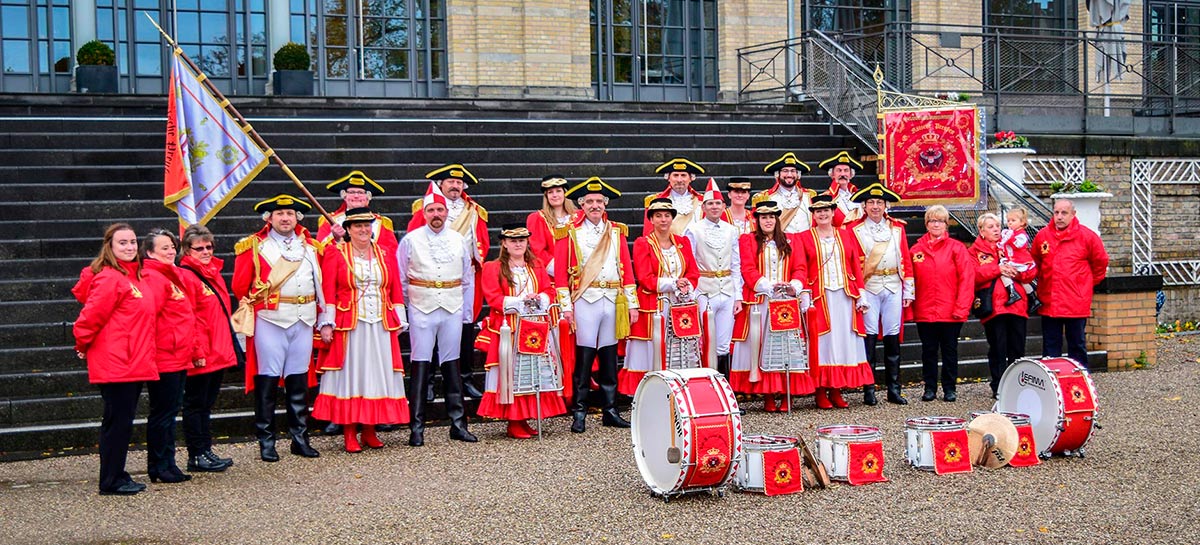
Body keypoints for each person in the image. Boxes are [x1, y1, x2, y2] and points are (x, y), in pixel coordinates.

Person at [232, 195, 329, 461]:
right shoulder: (253, 247)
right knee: (268, 380)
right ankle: (266, 440)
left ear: (298, 217)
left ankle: (300, 437)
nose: (285, 218)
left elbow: (322, 282)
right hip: (270, 319)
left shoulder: (312, 247)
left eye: (290, 213)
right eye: (280, 214)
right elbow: (240, 286)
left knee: (298, 380)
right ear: (269, 218)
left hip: (304, 318)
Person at [314, 208, 411, 452]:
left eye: (367, 225)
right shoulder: (336, 253)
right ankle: (349, 432)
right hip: (350, 324)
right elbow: (328, 289)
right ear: (347, 229)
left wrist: (399, 317)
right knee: (352, 376)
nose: (363, 230)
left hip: (379, 322)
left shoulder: (385, 253)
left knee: (376, 377)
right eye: (357, 226)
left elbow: (394, 288)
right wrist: (327, 322)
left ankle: (369, 430)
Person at [72, 223, 158, 495]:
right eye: (123, 243)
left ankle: (117, 473)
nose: (130, 247)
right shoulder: (111, 278)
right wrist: (82, 343)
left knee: (122, 422)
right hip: (117, 362)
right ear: (109, 246)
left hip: (131, 361)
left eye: (133, 242)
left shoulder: (133, 277)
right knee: (117, 423)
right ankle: (111, 480)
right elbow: (89, 317)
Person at [555, 177, 638, 433]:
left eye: (599, 201)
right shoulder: (569, 232)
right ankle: (579, 412)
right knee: (585, 356)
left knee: (610, 356)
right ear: (581, 204)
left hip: (613, 299)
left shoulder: (616, 231)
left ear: (605, 204)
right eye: (589, 201)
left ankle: (610, 410)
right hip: (586, 299)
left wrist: (632, 303)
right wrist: (566, 306)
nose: (595, 205)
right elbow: (560, 273)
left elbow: (626, 267)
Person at [398, 183, 479, 446]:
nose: (436, 214)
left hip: (452, 306)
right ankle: (417, 427)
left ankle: (458, 423)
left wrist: (464, 309)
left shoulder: (458, 239)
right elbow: (401, 278)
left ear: (446, 213)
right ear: (424, 213)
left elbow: (467, 276)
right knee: (421, 363)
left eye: (440, 209)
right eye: (432, 209)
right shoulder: (411, 240)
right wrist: (407, 308)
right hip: (422, 306)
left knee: (451, 362)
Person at [475, 224, 565, 439]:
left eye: (522, 240)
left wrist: (540, 299)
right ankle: (514, 421)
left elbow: (549, 289)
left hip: (534, 327)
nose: (518, 244)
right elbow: (493, 297)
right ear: (504, 243)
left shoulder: (536, 265)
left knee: (531, 372)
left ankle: (526, 418)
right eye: (513, 240)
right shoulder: (493, 267)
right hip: (510, 329)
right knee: (512, 374)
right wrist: (519, 302)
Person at [408, 163, 488, 401]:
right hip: (433, 278)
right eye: (450, 182)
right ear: (440, 185)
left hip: (465, 277)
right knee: (431, 329)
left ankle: (464, 378)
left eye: (459, 182)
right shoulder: (426, 208)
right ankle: (429, 381)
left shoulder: (474, 210)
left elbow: (480, 241)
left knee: (463, 329)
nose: (455, 186)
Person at [730, 201, 816, 411]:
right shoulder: (747, 240)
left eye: (771, 217)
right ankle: (768, 395)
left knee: (789, 347)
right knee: (763, 347)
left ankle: (788, 394)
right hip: (761, 300)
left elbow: (800, 269)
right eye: (763, 217)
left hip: (786, 302)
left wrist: (792, 286)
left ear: (777, 219)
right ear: (757, 220)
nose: (767, 221)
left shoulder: (790, 240)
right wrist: (767, 286)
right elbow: (747, 268)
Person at [798, 195, 873, 409]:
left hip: (844, 294)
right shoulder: (805, 237)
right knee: (823, 342)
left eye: (826, 210)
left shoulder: (845, 234)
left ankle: (837, 389)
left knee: (843, 342)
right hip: (819, 296)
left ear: (833, 213)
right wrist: (804, 295)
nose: (823, 214)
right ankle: (820, 391)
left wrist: (861, 293)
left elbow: (855, 266)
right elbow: (801, 266)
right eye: (818, 211)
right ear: (813, 215)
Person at [140, 228, 202, 483]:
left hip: (178, 353)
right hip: (165, 355)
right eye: (164, 247)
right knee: (163, 413)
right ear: (150, 252)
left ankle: (166, 463)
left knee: (168, 411)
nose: (170, 251)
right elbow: (149, 317)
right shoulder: (155, 277)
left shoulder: (171, 275)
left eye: (172, 247)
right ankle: (160, 465)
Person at [844, 183, 914, 405]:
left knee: (893, 337)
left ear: (886, 205)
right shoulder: (853, 229)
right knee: (870, 337)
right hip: (870, 286)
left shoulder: (897, 228)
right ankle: (869, 390)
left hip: (893, 284)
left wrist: (908, 290)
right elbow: (852, 262)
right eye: (871, 202)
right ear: (864, 205)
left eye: (880, 203)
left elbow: (905, 258)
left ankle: (894, 389)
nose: (875, 206)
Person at [622, 198, 701, 394]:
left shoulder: (682, 242)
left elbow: (693, 272)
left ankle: (678, 389)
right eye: (658, 216)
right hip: (653, 305)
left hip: (679, 304)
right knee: (650, 348)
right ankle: (647, 392)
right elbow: (644, 277)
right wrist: (673, 283)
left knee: (678, 346)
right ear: (651, 219)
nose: (663, 220)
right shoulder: (643, 243)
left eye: (667, 215)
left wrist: (686, 286)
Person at [177, 224, 237, 473]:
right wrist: (197, 351)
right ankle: (196, 453)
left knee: (206, 404)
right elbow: (189, 318)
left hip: (217, 348)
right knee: (195, 404)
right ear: (186, 251)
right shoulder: (187, 275)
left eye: (208, 247)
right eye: (199, 248)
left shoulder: (211, 271)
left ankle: (205, 449)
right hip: (202, 351)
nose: (205, 251)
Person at [1032, 198, 1109, 369]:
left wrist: (1085, 285)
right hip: (1050, 302)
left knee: (1077, 345)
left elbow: (1100, 263)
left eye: (1064, 213)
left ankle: (1080, 382)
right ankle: (1053, 383)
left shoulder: (1087, 236)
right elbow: (1035, 262)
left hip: (1075, 302)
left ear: (1073, 214)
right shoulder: (1042, 236)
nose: (1059, 217)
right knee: (1050, 347)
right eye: (1056, 212)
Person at [908, 205, 975, 402]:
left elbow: (967, 279)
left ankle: (949, 388)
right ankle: (929, 388)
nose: (936, 224)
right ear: (926, 224)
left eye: (940, 221)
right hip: (925, 309)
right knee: (928, 351)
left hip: (950, 310)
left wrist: (961, 307)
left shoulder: (957, 248)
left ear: (946, 224)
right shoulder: (916, 250)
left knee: (949, 351)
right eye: (932, 221)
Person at [969, 213, 1037, 398]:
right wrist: (997, 269)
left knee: (1017, 348)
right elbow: (974, 275)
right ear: (981, 231)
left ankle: (1018, 385)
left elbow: (1030, 271)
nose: (996, 229)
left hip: (1017, 305)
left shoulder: (1011, 245)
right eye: (990, 226)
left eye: (998, 225)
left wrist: (1017, 272)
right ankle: (998, 386)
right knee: (998, 347)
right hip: (994, 307)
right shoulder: (975, 251)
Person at [684, 179, 743, 376]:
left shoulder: (732, 230)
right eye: (710, 203)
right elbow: (689, 263)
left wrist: (738, 295)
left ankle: (725, 389)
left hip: (726, 289)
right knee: (703, 340)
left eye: (718, 203)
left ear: (724, 206)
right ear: (703, 206)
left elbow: (736, 264)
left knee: (724, 343)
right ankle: (704, 386)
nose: (714, 207)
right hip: (704, 289)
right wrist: (692, 292)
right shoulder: (693, 229)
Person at [316, 170, 397, 251]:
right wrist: (336, 239)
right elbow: (320, 252)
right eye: (351, 192)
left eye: (360, 192)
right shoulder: (329, 220)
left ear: (368, 196)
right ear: (344, 195)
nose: (356, 196)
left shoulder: (383, 223)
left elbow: (392, 253)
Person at [526, 174, 577, 277]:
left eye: (558, 191)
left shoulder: (579, 216)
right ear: (546, 196)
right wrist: (561, 271)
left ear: (565, 193)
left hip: (582, 276)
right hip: (554, 279)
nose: (555, 195)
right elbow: (538, 251)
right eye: (550, 192)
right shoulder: (537, 218)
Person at [751, 152, 815, 234]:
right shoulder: (764, 197)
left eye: (793, 171)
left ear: (798, 174)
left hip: (805, 244)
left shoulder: (810, 195)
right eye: (785, 171)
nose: (789, 174)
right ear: (778, 174)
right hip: (780, 244)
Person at [642, 157, 706, 236]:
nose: (679, 180)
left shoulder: (703, 201)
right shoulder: (655, 201)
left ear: (691, 178)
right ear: (668, 178)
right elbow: (648, 234)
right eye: (675, 175)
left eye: (683, 175)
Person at [1000, 207, 1037, 308]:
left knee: (1004, 274)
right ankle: (1033, 298)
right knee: (1021, 280)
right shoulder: (1010, 233)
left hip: (1020, 262)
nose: (1010, 223)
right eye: (1008, 220)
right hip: (1012, 259)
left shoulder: (1021, 234)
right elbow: (1003, 246)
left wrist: (1010, 237)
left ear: (1022, 222)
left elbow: (1017, 245)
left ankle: (1013, 293)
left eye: (1013, 220)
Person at [817, 151, 864, 227]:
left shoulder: (859, 196)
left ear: (851, 174)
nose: (843, 174)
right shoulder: (824, 198)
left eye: (846, 170)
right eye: (839, 170)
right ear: (832, 174)